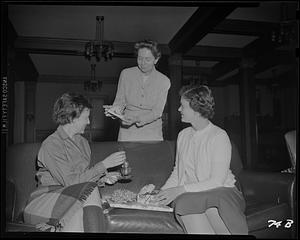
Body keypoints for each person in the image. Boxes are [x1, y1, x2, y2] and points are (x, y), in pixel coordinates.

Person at [23, 93, 126, 232]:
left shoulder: (83, 143)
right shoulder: (52, 145)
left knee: (80, 211)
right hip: (45, 203)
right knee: (89, 193)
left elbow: (81, 179)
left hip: (72, 200)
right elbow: (71, 183)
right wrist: (104, 165)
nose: (89, 122)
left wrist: (103, 178)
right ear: (72, 118)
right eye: (86, 117)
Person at [153, 85, 248, 235]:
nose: (178, 110)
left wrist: (180, 190)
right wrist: (160, 194)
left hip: (222, 193)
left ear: (196, 111)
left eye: (182, 106)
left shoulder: (218, 136)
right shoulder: (183, 135)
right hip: (193, 196)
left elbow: (217, 181)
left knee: (200, 205)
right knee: (184, 202)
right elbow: (178, 171)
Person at [104, 39, 170, 141]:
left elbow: (157, 112)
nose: (142, 63)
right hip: (127, 132)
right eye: (140, 58)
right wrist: (115, 111)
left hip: (152, 133)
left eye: (147, 59)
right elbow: (120, 101)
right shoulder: (126, 74)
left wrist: (137, 119)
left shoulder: (164, 81)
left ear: (156, 60)